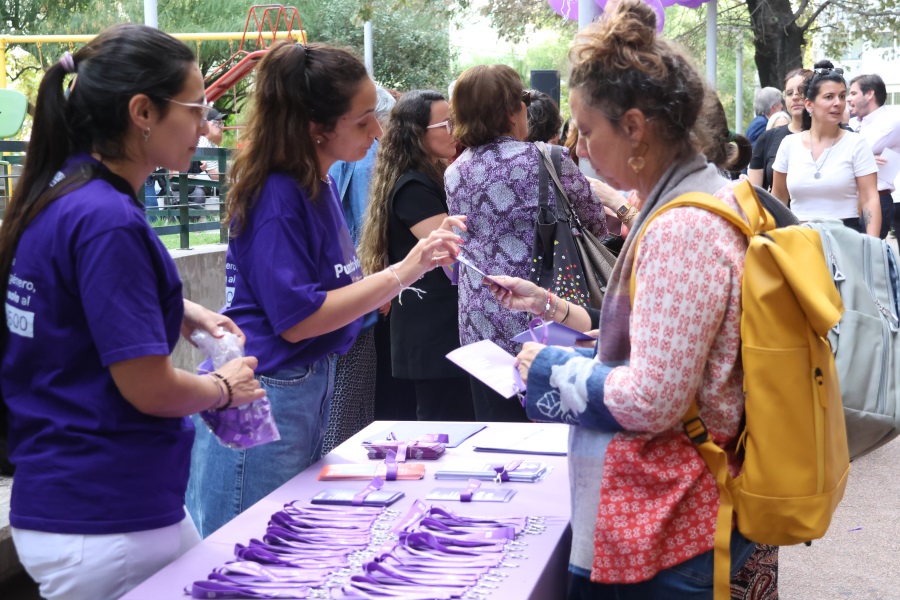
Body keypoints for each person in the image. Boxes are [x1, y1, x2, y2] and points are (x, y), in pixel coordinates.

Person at [494, 1, 759, 596]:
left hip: (664, 523)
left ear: (635, 127)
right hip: (680, 510)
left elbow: (653, 400)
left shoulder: (679, 227)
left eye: (588, 131)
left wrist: (551, 368)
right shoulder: (707, 199)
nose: (581, 148)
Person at [0, 25, 264, 600]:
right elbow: (151, 390)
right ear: (142, 111)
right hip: (105, 516)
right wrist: (224, 385)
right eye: (195, 108)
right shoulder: (107, 220)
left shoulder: (66, 193)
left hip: (86, 504)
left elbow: (75, 305)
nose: (204, 125)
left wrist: (182, 308)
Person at [187, 42, 463, 537]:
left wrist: (407, 270)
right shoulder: (278, 192)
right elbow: (299, 320)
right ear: (317, 128)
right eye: (362, 121)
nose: (377, 131)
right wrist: (408, 268)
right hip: (268, 389)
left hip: (300, 383)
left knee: (281, 543)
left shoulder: (317, 184)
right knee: (250, 546)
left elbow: (335, 297)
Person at [445, 64, 608, 422]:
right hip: (545, 307)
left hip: (479, 314)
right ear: (510, 110)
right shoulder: (548, 158)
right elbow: (594, 220)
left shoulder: (454, 171)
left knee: (495, 427)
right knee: (553, 419)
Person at [358, 90, 475, 422]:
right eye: (446, 123)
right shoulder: (413, 187)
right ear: (417, 134)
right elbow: (453, 254)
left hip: (436, 329)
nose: (456, 130)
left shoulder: (429, 178)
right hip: (431, 333)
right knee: (443, 430)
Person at [321, 86, 395, 454]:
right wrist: (382, 283)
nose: (380, 133)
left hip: (349, 294)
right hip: (356, 297)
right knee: (349, 407)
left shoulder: (326, 167)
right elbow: (371, 224)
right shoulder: (366, 156)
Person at [772, 61, 880, 236]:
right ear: (809, 104)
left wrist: (872, 246)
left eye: (842, 96)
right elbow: (778, 199)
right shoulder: (788, 144)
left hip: (846, 240)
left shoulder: (856, 143)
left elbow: (869, 198)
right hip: (799, 241)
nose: (838, 103)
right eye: (829, 97)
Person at [848, 73, 900, 239]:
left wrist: (864, 156)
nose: (848, 99)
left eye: (853, 93)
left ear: (869, 94)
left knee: (869, 256)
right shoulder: (853, 123)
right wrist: (868, 157)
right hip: (850, 200)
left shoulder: (891, 120)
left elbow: (855, 152)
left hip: (877, 198)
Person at [748, 68, 813, 191]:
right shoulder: (768, 138)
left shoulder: (833, 136)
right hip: (778, 209)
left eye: (801, 91)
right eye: (789, 93)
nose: (795, 97)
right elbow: (756, 195)